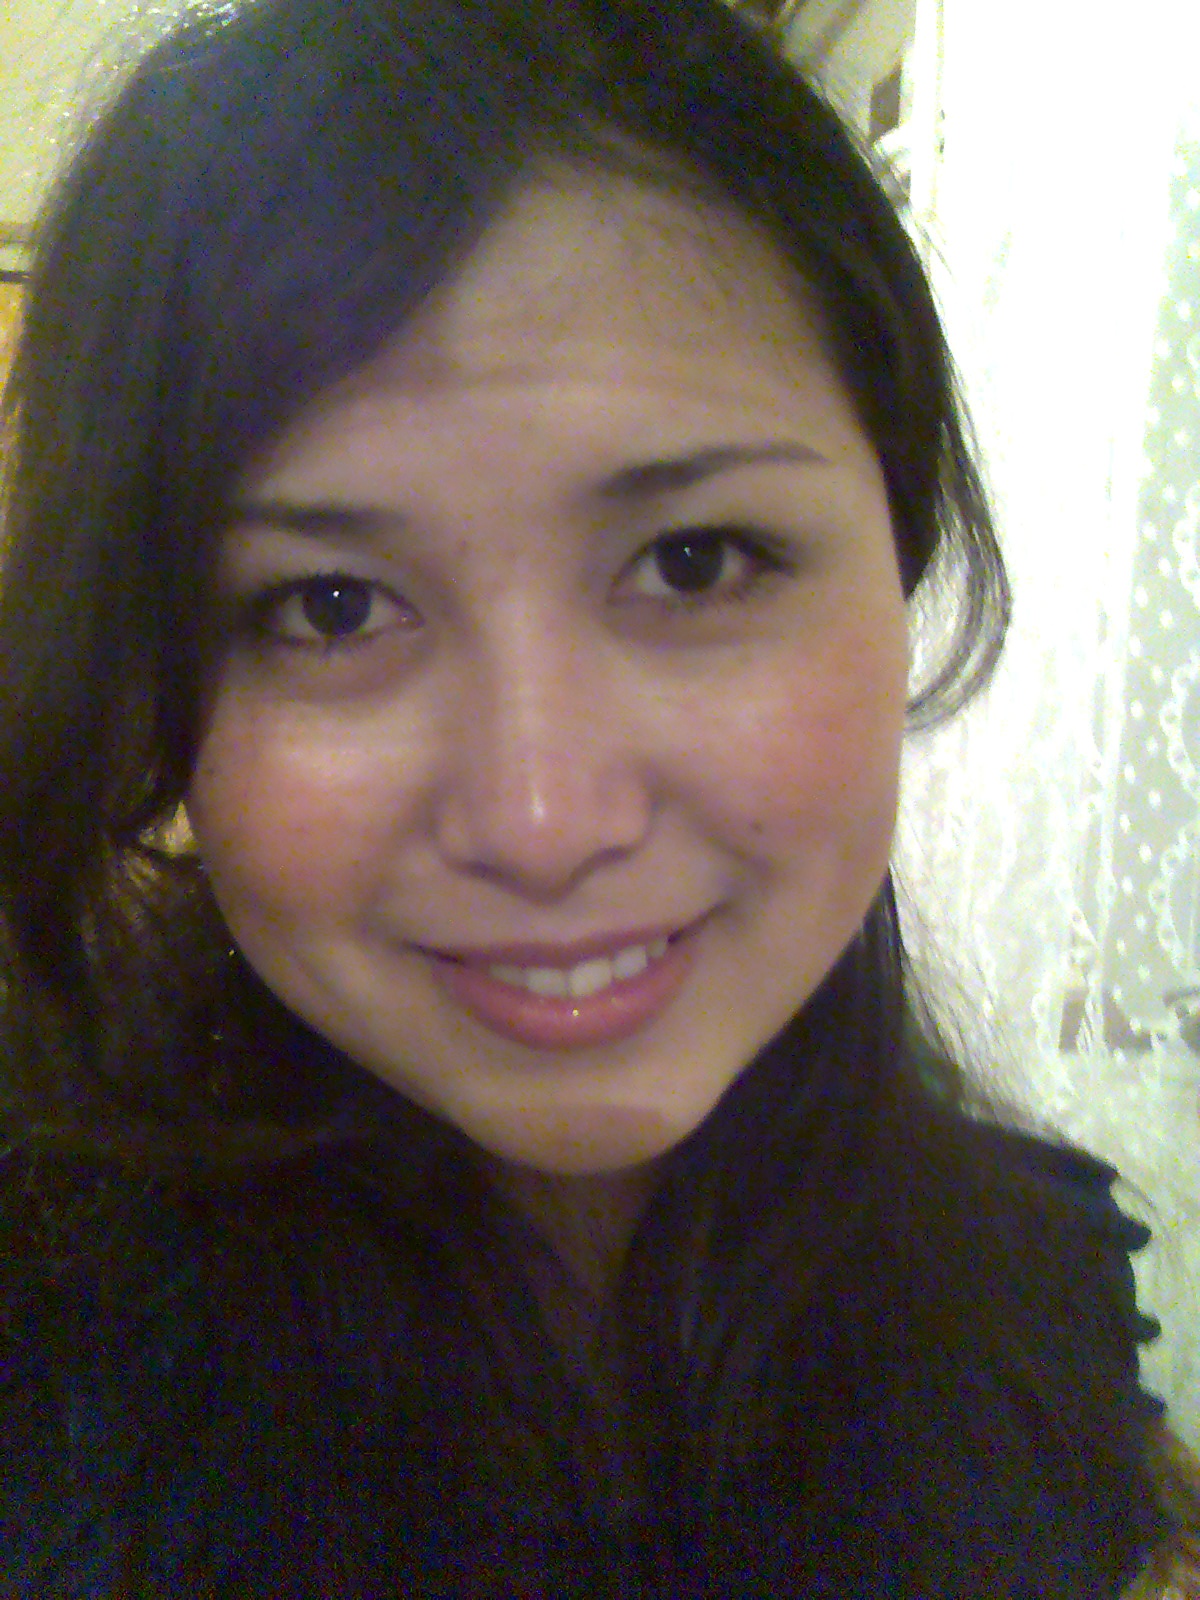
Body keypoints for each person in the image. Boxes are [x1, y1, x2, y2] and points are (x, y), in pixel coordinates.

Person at [0, 0, 1196, 1593]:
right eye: (329, 608)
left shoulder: (1044, 1284)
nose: (544, 822)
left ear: (898, 562)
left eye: (695, 562)